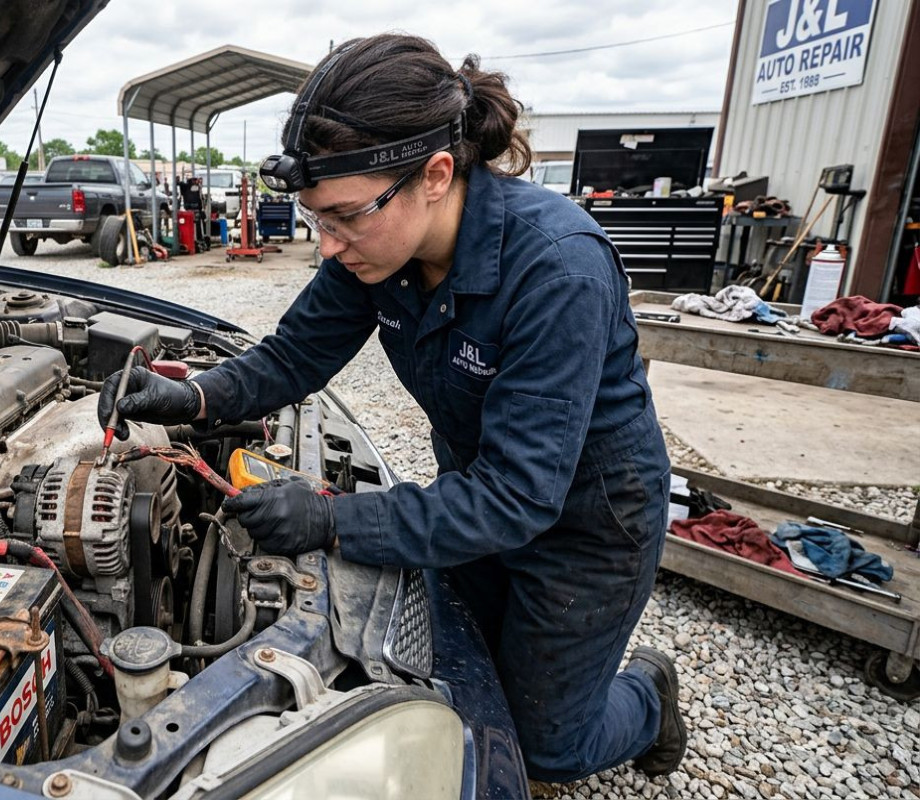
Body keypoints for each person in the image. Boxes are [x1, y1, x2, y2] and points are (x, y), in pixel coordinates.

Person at [95, 34, 683, 784]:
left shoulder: (557, 267)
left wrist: (332, 519)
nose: (329, 246)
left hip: (587, 524)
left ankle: (650, 697)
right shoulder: (378, 252)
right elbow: (291, 358)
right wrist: (190, 397)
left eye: (344, 218)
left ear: (436, 174)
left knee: (547, 746)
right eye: (317, 221)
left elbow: (518, 495)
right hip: (478, 490)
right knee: (474, 675)